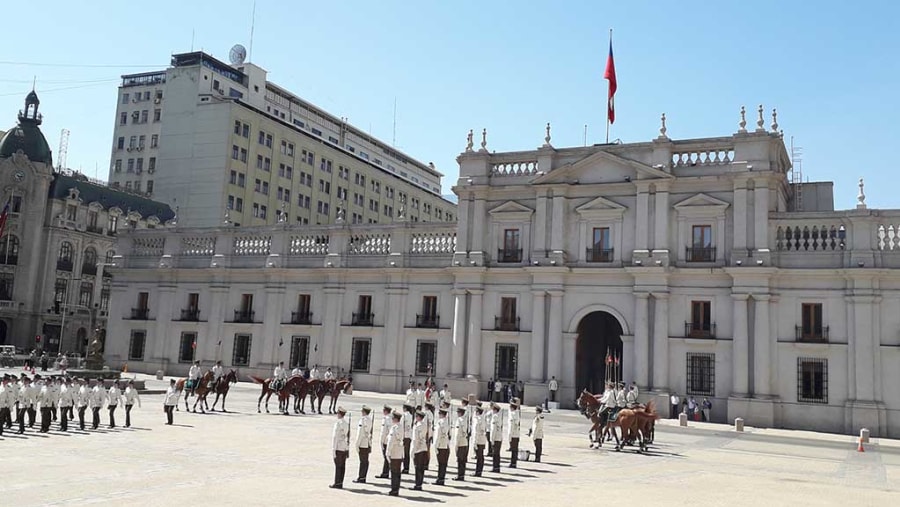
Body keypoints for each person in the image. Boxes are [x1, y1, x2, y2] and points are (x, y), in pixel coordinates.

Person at [330, 406, 350, 489]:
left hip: (338, 447)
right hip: (344, 447)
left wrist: (333, 450)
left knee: (338, 466)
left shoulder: (338, 424)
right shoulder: (346, 424)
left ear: (339, 414)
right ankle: (340, 482)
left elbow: (335, 437)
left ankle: (337, 483)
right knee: (342, 466)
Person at [386, 411, 404, 496]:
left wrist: (387, 452)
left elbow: (390, 441)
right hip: (399, 452)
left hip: (394, 452)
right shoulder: (401, 427)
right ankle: (396, 489)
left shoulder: (394, 428)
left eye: (393, 418)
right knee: (397, 472)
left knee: (394, 472)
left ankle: (394, 490)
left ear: (395, 419)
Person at [353, 405, 373, 484]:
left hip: (362, 443)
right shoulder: (370, 420)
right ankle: (363, 476)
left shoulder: (362, 420)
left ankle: (361, 477)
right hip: (367, 442)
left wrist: (357, 444)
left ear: (364, 412)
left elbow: (360, 434)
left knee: (363, 461)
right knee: (365, 461)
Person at [433, 407, 451, 485]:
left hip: (440, 445)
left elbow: (437, 436)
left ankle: (439, 479)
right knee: (443, 464)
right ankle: (442, 478)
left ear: (441, 414)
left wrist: (435, 446)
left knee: (440, 464)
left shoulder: (439, 423)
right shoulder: (447, 422)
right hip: (446, 445)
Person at [412, 410, 428, 491]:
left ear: (418, 417)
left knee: (417, 467)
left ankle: (417, 484)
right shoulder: (424, 425)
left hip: (418, 449)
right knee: (421, 468)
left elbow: (415, 440)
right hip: (423, 447)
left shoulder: (417, 426)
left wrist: (412, 451)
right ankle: (419, 483)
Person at [376, 405, 393, 479]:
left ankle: (385, 473)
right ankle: (386, 472)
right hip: (390, 439)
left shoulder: (386, 419)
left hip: (386, 440)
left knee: (386, 457)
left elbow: (383, 432)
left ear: (386, 411)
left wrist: (381, 441)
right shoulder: (392, 418)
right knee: (388, 457)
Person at [453, 406, 468, 481]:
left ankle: (460, 475)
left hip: (460, 442)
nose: (457, 414)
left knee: (460, 460)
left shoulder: (459, 420)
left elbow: (457, 434)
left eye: (458, 412)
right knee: (463, 461)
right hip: (465, 441)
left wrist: (456, 444)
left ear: (460, 413)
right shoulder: (465, 420)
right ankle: (462, 475)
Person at [472, 405, 487, 477]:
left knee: (479, 457)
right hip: (482, 440)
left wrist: (474, 443)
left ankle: (478, 471)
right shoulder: (483, 419)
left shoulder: (477, 421)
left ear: (478, 412)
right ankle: (479, 471)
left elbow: (476, 433)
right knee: (481, 457)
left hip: (478, 441)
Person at [508, 398, 521, 468]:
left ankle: (513, 463)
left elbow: (511, 427)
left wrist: (509, 436)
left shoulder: (513, 415)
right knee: (515, 450)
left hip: (513, 434)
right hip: (517, 434)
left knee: (513, 450)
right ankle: (514, 463)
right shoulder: (517, 413)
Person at [490, 403, 503, 473]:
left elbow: (493, 430)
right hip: (499, 437)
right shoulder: (499, 416)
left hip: (495, 438)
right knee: (497, 454)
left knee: (495, 454)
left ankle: (495, 467)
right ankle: (497, 467)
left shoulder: (495, 417)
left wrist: (492, 439)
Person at [402, 404, 414, 473]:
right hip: (409, 435)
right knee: (407, 453)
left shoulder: (404, 415)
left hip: (404, 436)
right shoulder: (410, 416)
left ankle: (405, 467)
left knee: (404, 453)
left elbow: (402, 426)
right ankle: (406, 468)